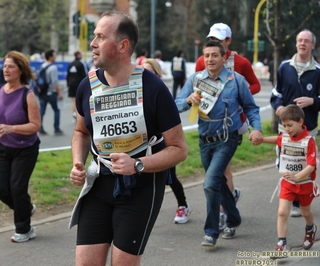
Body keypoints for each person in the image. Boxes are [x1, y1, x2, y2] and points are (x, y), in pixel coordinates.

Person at [69, 10, 188, 266]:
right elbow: (80, 131)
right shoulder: (87, 85)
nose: (93, 43)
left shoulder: (153, 88)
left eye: (100, 37)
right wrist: (77, 161)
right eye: (94, 36)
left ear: (123, 46)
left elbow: (179, 149)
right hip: (98, 183)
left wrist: (137, 165)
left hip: (140, 188)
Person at [175, 40, 262, 247]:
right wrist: (188, 100)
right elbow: (176, 104)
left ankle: (211, 232)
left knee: (209, 183)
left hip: (227, 139)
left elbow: (251, 108)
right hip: (205, 141)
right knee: (219, 183)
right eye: (206, 55)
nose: (210, 59)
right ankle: (233, 218)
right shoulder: (196, 79)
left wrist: (256, 128)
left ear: (224, 58)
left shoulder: (236, 80)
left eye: (215, 55)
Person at [195, 22, 261, 230]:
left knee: (224, 168)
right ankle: (230, 200)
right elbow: (197, 87)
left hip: (232, 122)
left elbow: (255, 84)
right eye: (212, 39)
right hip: (207, 122)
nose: (215, 44)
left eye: (220, 40)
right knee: (220, 171)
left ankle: (224, 213)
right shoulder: (202, 60)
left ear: (228, 41)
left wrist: (236, 96)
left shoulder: (240, 62)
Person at [0, 51, 41, 243]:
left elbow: (35, 125)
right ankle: (26, 207)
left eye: (10, 66)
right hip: (4, 147)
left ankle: (24, 230)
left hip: (26, 148)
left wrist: (12, 128)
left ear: (20, 70)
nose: (5, 70)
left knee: (17, 188)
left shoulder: (27, 95)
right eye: (4, 66)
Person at [270, 29, 320, 218]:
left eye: (306, 41)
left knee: (304, 163)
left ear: (312, 45)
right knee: (285, 162)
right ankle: (290, 194)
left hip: (308, 128)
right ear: (296, 43)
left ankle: (300, 201)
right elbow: (276, 94)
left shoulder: (317, 72)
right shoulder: (284, 67)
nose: (302, 43)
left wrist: (313, 101)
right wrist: (279, 107)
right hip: (286, 128)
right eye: (300, 40)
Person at [255, 105, 318, 253]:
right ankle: (281, 244)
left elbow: (312, 166)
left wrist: (297, 176)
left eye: (290, 125)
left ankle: (310, 228)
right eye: (284, 126)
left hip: (304, 184)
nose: (287, 129)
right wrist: (262, 139)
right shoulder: (285, 137)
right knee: (282, 212)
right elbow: (277, 139)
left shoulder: (308, 141)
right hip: (288, 183)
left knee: (305, 212)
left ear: (300, 121)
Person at [143, 58, 192, 224]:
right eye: (141, 72)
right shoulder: (134, 94)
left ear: (158, 75)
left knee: (169, 177)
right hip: (143, 145)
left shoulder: (161, 94)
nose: (144, 76)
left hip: (163, 144)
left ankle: (183, 205)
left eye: (149, 73)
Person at [38, 49, 63, 135]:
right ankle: (56, 128)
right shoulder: (53, 67)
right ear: (50, 57)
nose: (55, 57)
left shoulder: (42, 66)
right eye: (54, 55)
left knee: (42, 111)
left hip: (42, 92)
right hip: (51, 92)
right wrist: (59, 93)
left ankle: (40, 128)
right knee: (56, 110)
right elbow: (54, 82)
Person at [67, 51, 87, 123]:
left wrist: (68, 84)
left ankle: (73, 114)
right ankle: (79, 116)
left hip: (71, 84)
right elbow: (84, 76)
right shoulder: (80, 64)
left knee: (73, 100)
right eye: (81, 54)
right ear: (78, 55)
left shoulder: (70, 64)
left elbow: (68, 75)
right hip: (79, 84)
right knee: (80, 100)